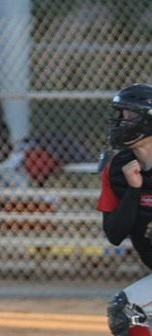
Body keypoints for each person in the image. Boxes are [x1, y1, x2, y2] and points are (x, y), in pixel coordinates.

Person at [97, 83, 152, 336]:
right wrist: (134, 190)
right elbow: (114, 233)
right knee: (133, 317)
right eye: (120, 115)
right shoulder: (118, 167)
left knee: (127, 308)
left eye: (130, 116)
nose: (121, 122)